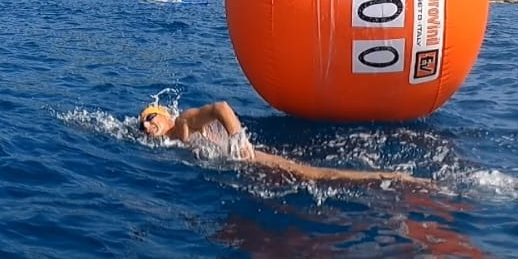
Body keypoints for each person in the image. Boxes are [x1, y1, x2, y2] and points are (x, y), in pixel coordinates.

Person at [138, 101, 430, 186]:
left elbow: (221, 108)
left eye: (150, 118)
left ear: (164, 114)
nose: (147, 126)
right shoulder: (166, 145)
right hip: (235, 166)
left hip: (244, 158)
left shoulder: (185, 122)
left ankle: (400, 179)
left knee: (315, 176)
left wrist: (238, 139)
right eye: (142, 125)